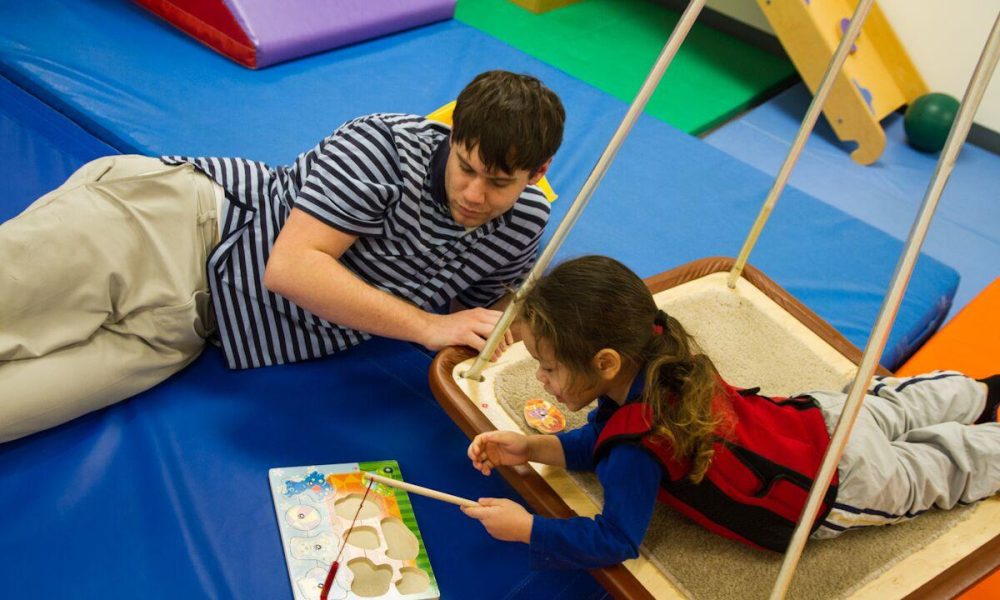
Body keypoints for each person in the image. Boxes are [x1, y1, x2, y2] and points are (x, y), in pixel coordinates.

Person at [0, 70, 565, 442]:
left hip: (195, 330)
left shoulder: (524, 225)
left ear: (535, 175)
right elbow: (292, 268)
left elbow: (482, 332)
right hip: (175, 229)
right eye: (465, 166)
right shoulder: (383, 147)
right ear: (454, 135)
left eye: (497, 182)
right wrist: (427, 325)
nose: (473, 194)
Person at [461, 255, 1000, 569]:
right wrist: (535, 447)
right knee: (905, 403)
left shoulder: (636, 450)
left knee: (946, 466)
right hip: (822, 419)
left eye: (548, 368)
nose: (540, 380)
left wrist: (527, 527)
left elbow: (614, 539)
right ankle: (984, 394)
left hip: (837, 484)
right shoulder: (661, 353)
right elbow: (602, 438)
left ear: (605, 363)